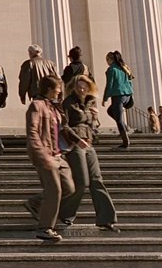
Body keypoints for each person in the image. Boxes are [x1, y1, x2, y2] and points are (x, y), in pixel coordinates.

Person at [23, 75, 82, 242]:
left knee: (69, 188)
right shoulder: (37, 106)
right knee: (54, 191)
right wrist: (42, 155)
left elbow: (63, 127)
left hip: (58, 155)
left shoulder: (53, 107)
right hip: (45, 155)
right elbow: (32, 132)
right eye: (57, 89)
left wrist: (78, 140)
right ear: (49, 89)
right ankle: (45, 228)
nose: (59, 92)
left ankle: (35, 203)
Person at [58, 75, 119, 233]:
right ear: (73, 87)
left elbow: (91, 126)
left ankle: (106, 218)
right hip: (75, 144)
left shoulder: (90, 103)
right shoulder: (68, 103)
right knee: (82, 182)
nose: (81, 89)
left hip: (89, 143)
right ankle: (65, 213)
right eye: (79, 86)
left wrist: (95, 117)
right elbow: (64, 126)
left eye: (84, 86)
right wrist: (77, 140)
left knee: (96, 179)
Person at [102, 51, 134, 149]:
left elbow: (109, 84)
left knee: (119, 120)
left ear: (110, 59)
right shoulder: (124, 67)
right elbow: (130, 81)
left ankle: (125, 141)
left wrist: (105, 98)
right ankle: (125, 128)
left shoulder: (112, 69)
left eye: (107, 59)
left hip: (118, 95)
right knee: (110, 111)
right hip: (127, 95)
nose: (107, 62)